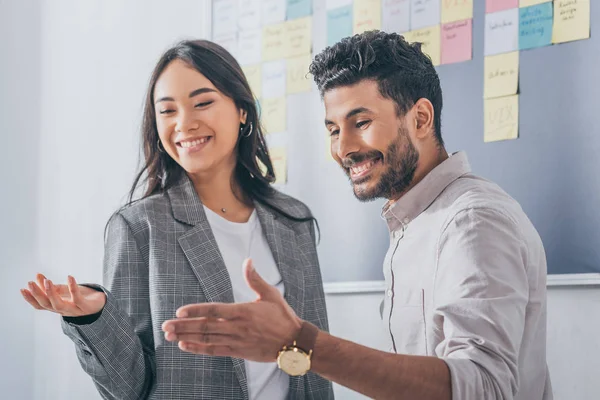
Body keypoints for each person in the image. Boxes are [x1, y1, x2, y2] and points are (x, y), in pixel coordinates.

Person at [161, 31, 553, 400]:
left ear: (420, 119)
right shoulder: (413, 221)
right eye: (333, 130)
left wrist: (302, 343)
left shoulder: (471, 221)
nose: (343, 148)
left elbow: (484, 387)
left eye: (361, 123)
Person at [20, 40, 333, 400]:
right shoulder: (139, 227)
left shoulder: (293, 221)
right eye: (167, 111)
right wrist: (95, 317)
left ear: (242, 110)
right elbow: (129, 389)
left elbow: (315, 364)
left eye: (202, 103)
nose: (185, 123)